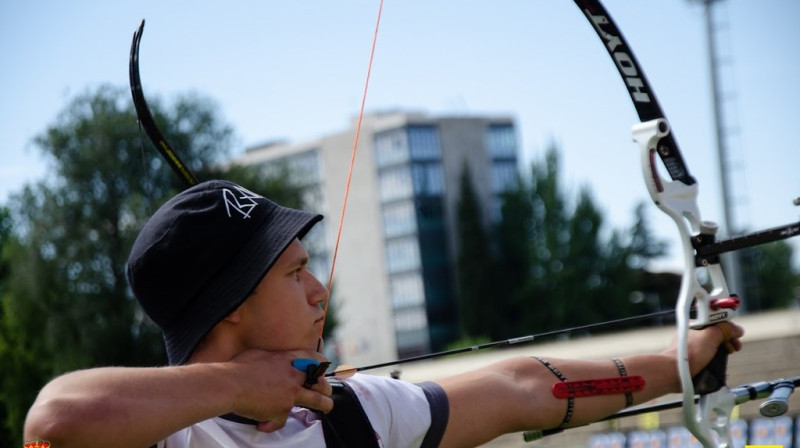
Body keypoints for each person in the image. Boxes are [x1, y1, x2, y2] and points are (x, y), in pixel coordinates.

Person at [23, 179, 744, 448]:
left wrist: (685, 361)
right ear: (231, 308)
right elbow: (55, 423)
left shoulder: (355, 415)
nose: (318, 292)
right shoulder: (169, 439)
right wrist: (240, 388)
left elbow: (524, 388)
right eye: (295, 273)